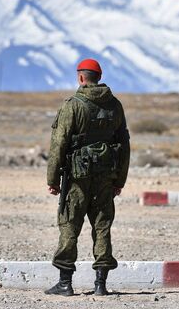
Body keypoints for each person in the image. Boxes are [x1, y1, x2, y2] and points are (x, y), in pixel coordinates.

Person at [44, 58, 130, 296]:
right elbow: (124, 145)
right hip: (105, 176)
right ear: (99, 77)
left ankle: (65, 283)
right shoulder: (115, 106)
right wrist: (119, 180)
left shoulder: (72, 105)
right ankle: (100, 285)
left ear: (81, 77)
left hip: (76, 177)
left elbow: (59, 143)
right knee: (102, 225)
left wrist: (52, 179)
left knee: (70, 224)